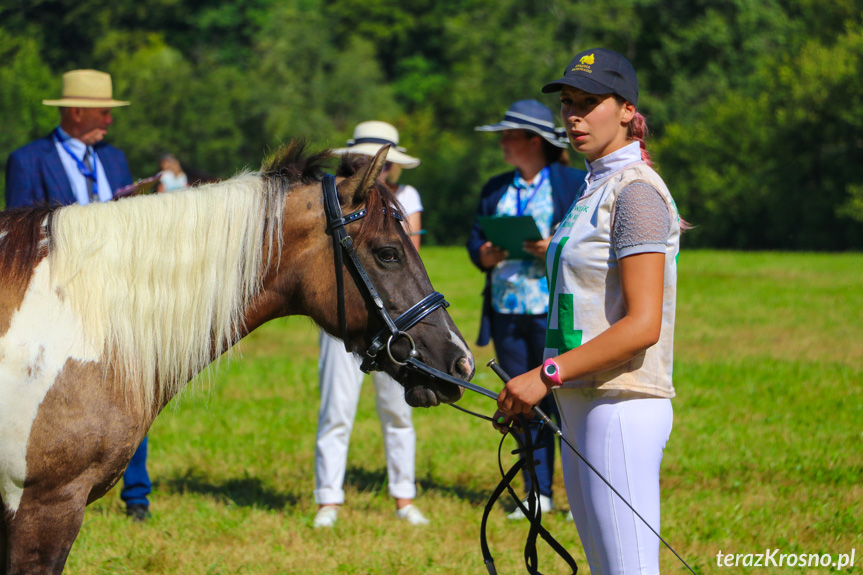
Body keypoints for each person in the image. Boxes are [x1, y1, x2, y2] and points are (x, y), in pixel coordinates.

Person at [495, 48, 684, 575]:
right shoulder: (592, 185)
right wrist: (549, 384)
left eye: (590, 102)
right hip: (579, 402)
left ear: (626, 109)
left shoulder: (637, 191)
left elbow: (642, 326)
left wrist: (544, 374)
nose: (574, 115)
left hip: (621, 404)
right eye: (568, 104)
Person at [4, 69, 153, 522]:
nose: (109, 120)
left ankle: (137, 493)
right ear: (75, 111)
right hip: (60, 300)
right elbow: (20, 238)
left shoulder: (115, 159)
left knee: (133, 386)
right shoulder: (28, 160)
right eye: (103, 111)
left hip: (118, 294)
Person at [467, 100, 586, 519]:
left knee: (566, 401)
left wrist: (551, 244)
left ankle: (579, 496)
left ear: (533, 141)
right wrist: (485, 253)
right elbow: (475, 244)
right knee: (523, 403)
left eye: (509, 136)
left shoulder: (573, 181)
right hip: (506, 309)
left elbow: (588, 238)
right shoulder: (495, 188)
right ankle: (537, 493)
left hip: (554, 310)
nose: (502, 143)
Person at [312, 121, 428, 528]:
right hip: (346, 317)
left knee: (397, 410)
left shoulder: (404, 198)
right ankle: (328, 499)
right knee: (336, 409)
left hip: (395, 321)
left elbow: (407, 258)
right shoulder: (335, 195)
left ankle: (403, 496)